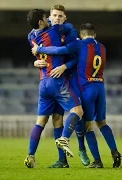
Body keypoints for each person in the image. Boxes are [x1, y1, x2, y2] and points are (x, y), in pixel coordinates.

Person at [32, 23, 122, 168]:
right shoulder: (103, 47)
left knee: (87, 127)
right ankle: (115, 152)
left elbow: (60, 50)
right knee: (102, 123)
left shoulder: (79, 45)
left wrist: (39, 49)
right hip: (100, 86)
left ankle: (97, 161)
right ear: (95, 34)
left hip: (87, 88)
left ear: (81, 35)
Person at [24, 9, 84, 168]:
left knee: (49, 120)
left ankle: (33, 156)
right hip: (57, 80)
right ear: (43, 21)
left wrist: (36, 59)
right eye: (50, 17)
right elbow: (65, 47)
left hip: (43, 82)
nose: (55, 19)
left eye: (59, 16)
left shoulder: (31, 36)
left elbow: (39, 54)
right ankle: (65, 138)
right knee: (78, 111)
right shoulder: (56, 30)